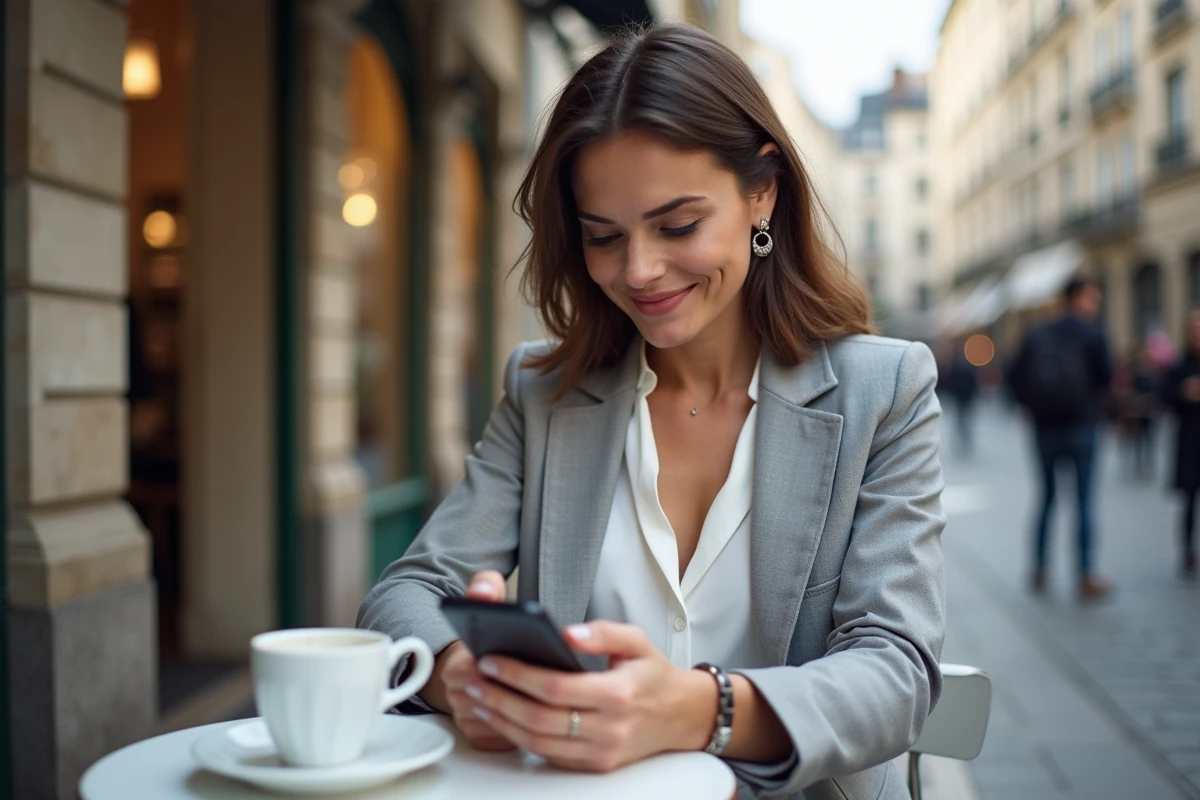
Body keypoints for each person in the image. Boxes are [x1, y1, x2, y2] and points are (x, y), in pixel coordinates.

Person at [358, 23, 946, 800]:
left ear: (761, 189)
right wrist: (462, 674)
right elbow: (401, 596)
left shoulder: (887, 391)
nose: (639, 271)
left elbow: (897, 671)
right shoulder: (544, 391)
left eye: (678, 226)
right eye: (603, 237)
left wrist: (701, 710)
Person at [1007, 277, 1114, 599]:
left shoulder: (1038, 331)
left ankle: (1039, 569)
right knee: (1083, 501)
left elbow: (1013, 375)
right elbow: (1106, 377)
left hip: (1044, 428)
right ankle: (1085, 575)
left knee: (1046, 498)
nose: (1095, 305)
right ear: (1079, 298)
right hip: (1082, 426)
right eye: (1093, 298)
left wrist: (1028, 407)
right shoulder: (1092, 333)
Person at [1161, 310, 1200, 577]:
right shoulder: (1179, 366)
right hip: (1190, 440)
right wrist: (1183, 393)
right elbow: (1163, 396)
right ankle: (1187, 552)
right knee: (1189, 500)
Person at [943, 343, 980, 457]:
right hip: (963, 398)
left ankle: (963, 441)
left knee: (962, 421)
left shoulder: (958, 367)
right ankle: (964, 441)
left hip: (962, 398)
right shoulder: (967, 367)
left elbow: (951, 383)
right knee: (963, 421)